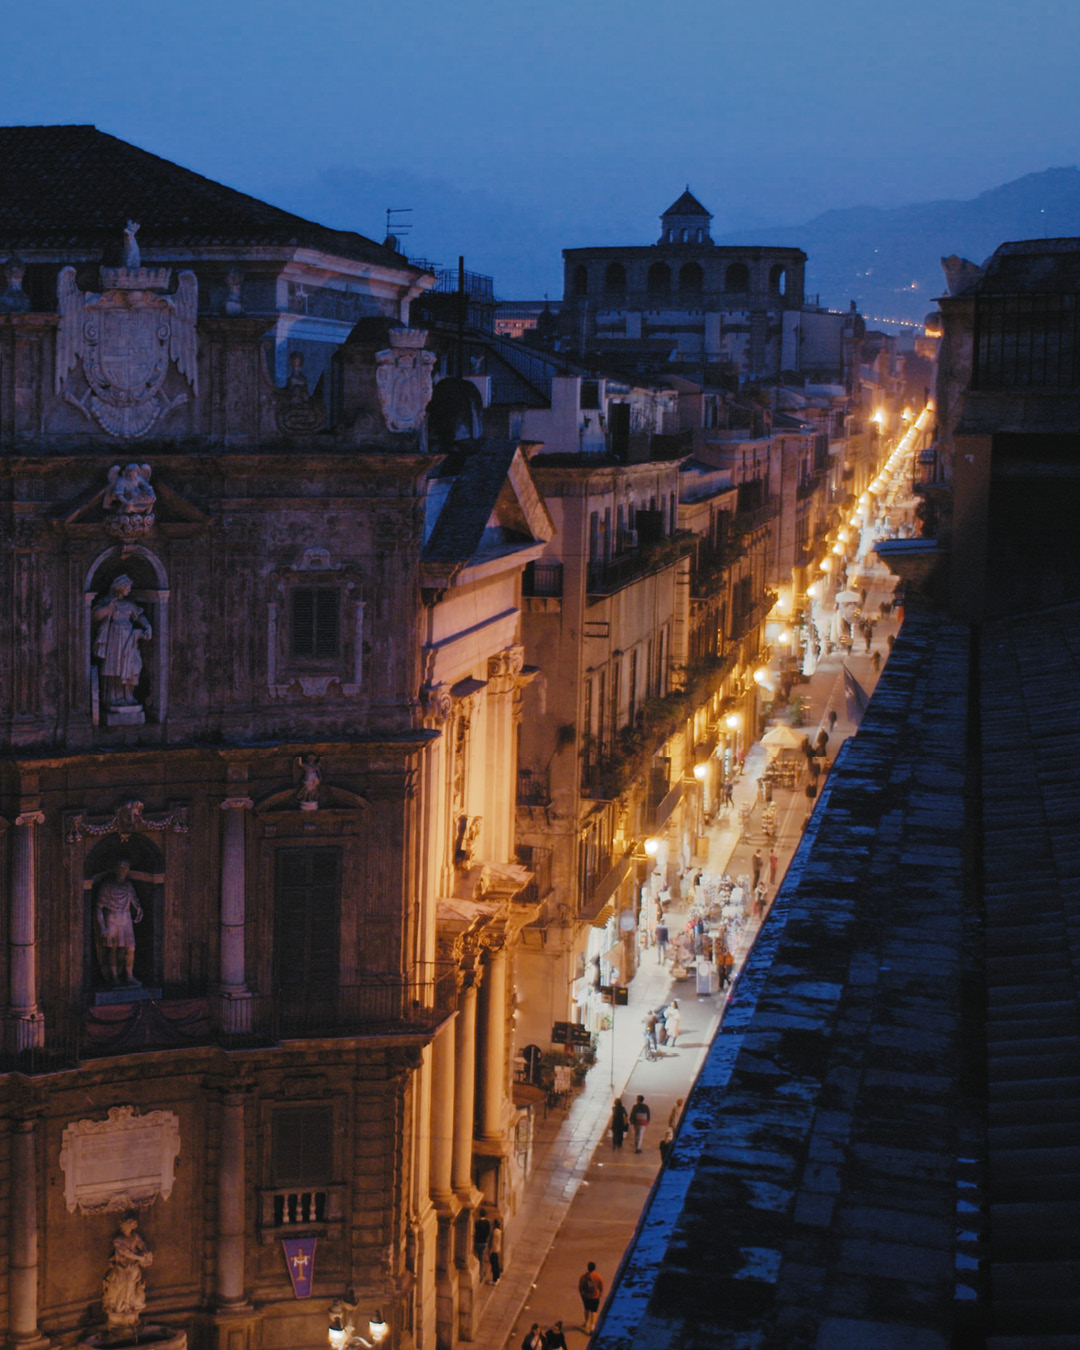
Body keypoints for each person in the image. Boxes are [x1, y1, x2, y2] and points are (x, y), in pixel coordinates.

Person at [92, 574, 152, 710]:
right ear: (120, 587)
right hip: (113, 638)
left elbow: (139, 616)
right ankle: (114, 698)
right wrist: (107, 609)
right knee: (114, 668)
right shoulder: (108, 601)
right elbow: (94, 616)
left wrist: (147, 626)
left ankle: (128, 696)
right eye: (128, 587)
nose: (129, 590)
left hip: (129, 639)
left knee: (130, 667)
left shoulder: (129, 604)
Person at [94, 859, 144, 986]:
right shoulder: (107, 885)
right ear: (115, 868)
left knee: (131, 948)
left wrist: (139, 911)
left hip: (126, 919)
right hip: (112, 918)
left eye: (126, 868)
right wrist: (103, 927)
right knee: (113, 949)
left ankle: (129, 976)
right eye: (121, 867)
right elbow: (98, 908)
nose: (123, 870)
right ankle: (114, 976)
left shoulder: (128, 885)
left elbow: (135, 901)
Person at [578, 1262, 603, 1333]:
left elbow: (580, 1287)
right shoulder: (598, 1276)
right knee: (594, 1311)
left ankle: (586, 1322)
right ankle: (592, 1326)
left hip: (586, 1296)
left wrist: (582, 1295)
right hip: (595, 1296)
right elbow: (601, 1286)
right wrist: (599, 1294)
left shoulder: (583, 1277)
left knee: (586, 1309)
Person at [488, 1218, 503, 1284]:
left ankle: (495, 1279)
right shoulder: (499, 1231)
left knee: (494, 1266)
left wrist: (490, 1251)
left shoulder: (495, 1232)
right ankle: (497, 1278)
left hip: (494, 1251)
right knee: (496, 1265)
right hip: (498, 1249)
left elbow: (493, 1243)